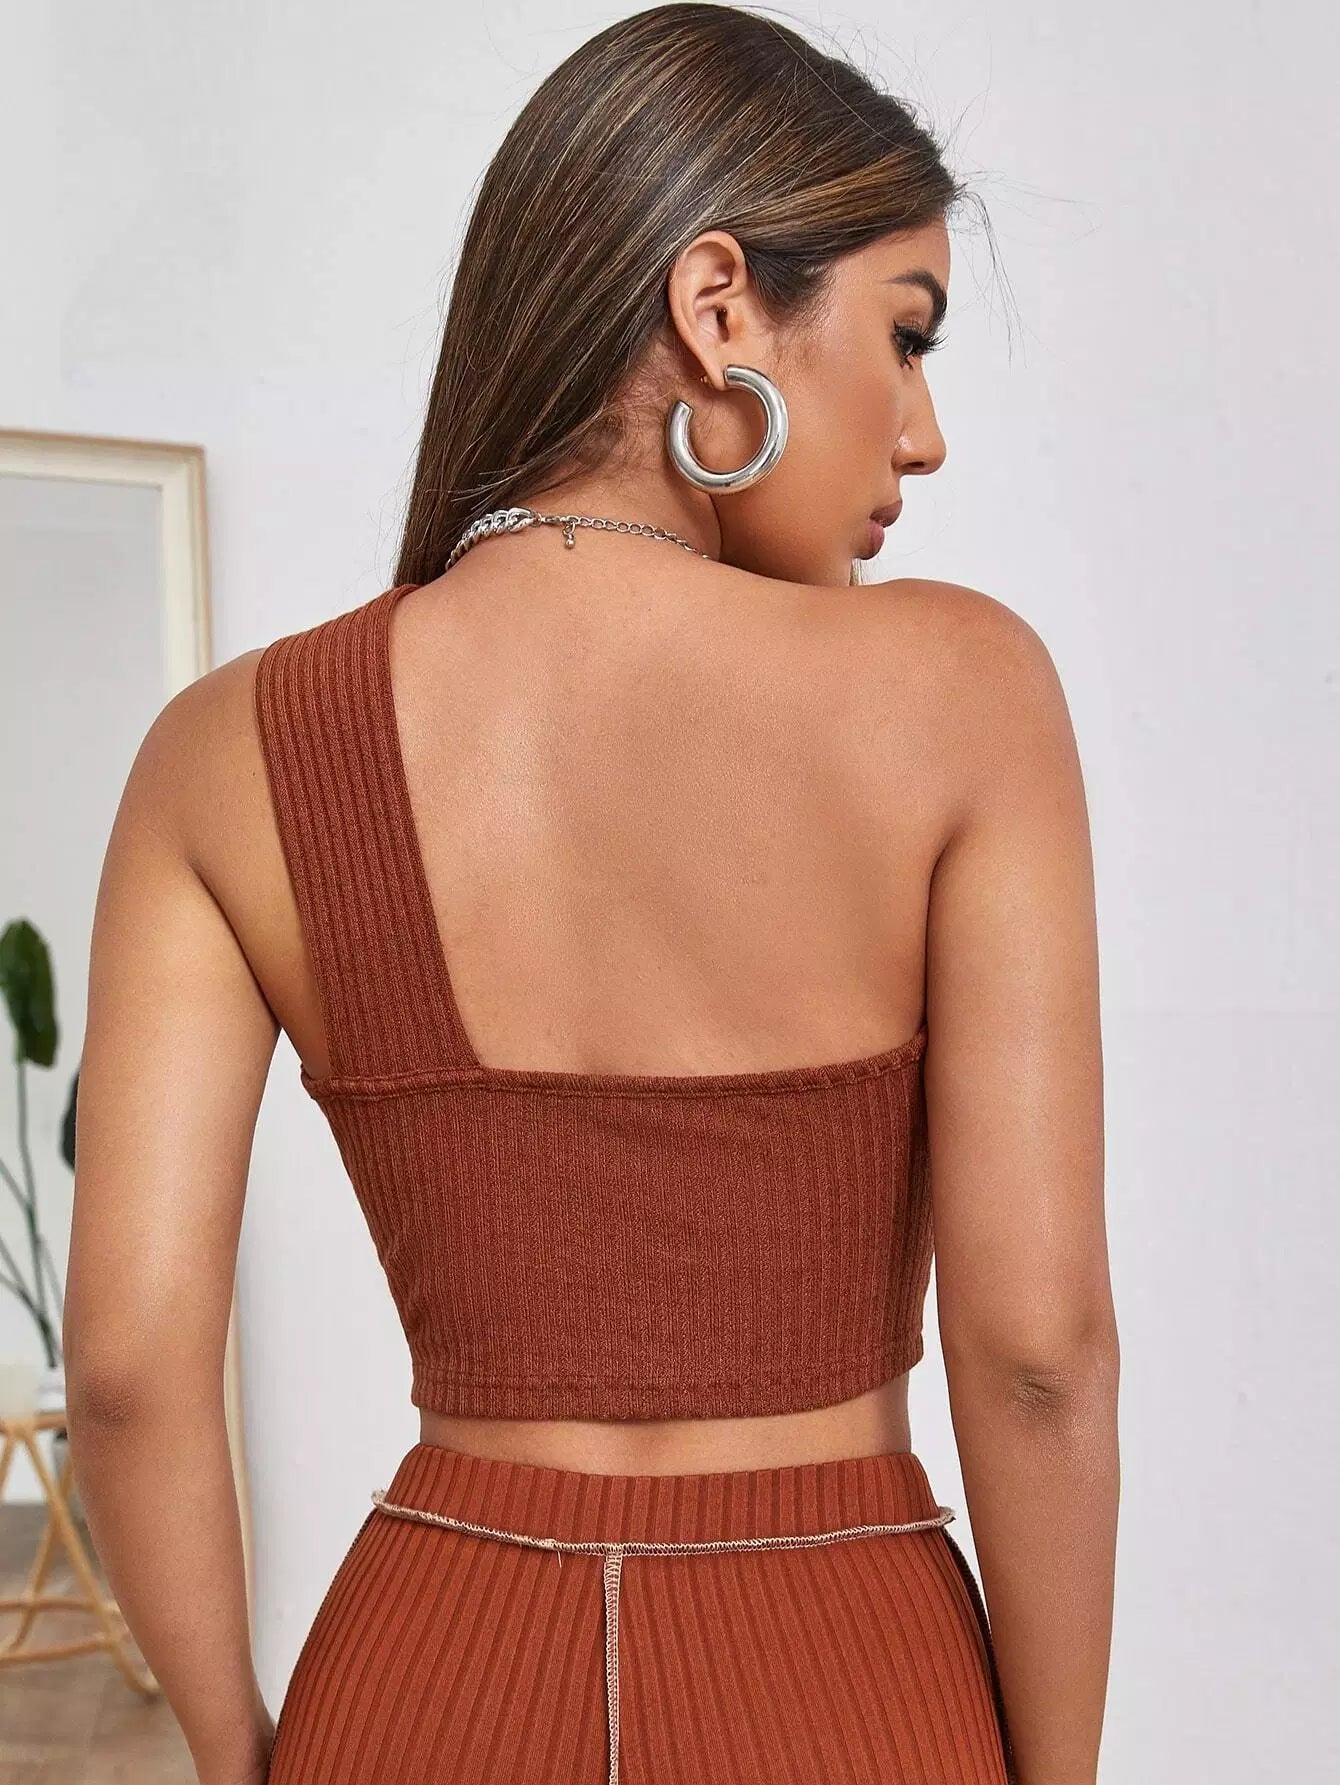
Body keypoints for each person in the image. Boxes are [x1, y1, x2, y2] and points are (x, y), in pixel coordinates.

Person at [63, 5, 1118, 1782]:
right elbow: (1036, 1352)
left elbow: (128, 1371)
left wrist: (248, 1756)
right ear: (719, 308)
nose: (923, 433)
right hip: (845, 1674)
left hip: (418, 1677)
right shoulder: (963, 693)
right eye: (905, 333)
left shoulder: (223, 752)